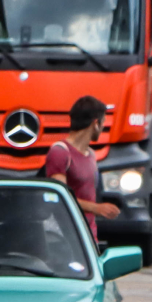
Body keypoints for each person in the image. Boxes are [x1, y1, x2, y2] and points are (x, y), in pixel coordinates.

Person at [40, 95, 119, 242]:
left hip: (88, 236)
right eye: (103, 122)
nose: (103, 127)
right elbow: (60, 197)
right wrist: (97, 208)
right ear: (95, 123)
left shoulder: (91, 155)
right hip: (62, 237)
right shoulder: (60, 152)